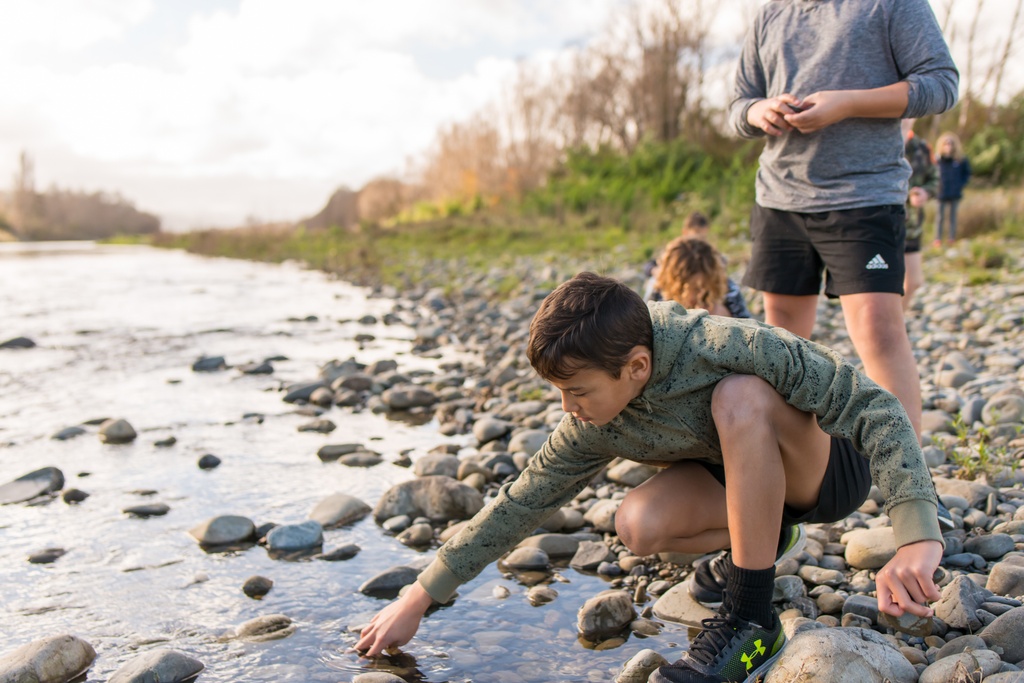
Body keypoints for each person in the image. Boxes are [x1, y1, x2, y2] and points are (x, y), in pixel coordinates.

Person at [356, 273, 944, 683]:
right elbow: (520, 502)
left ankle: (750, 620)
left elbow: (873, 405)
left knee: (740, 397)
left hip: (823, 468)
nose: (567, 408)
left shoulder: (723, 345)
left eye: (577, 391)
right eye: (559, 392)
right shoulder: (591, 420)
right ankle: (770, 541)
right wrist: (421, 594)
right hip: (738, 480)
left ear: (636, 367)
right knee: (635, 523)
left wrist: (916, 534)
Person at [728, 0, 958, 440]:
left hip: (865, 195)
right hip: (780, 197)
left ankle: (911, 489)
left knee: (878, 331)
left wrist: (848, 103)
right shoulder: (771, 14)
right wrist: (759, 112)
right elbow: (739, 105)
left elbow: (941, 84)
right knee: (782, 343)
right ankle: (793, 480)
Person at [643, 211, 752, 319]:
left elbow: (747, 325)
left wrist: (719, 316)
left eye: (701, 288)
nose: (697, 296)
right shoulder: (661, 290)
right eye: (692, 288)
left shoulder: (728, 290)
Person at [902, 118, 938, 311]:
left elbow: (935, 179)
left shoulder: (922, 147)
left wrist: (926, 192)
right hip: (877, 222)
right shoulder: (873, 140)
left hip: (911, 225)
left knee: (914, 281)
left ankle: (893, 324)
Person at [653, 237, 732, 316]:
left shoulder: (731, 295)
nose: (696, 296)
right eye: (684, 289)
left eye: (701, 288)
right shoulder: (657, 301)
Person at [935, 131, 971, 246]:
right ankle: (938, 239)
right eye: (946, 144)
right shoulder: (938, 160)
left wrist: (960, 184)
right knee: (940, 217)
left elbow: (967, 174)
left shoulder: (960, 160)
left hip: (955, 192)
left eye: (950, 144)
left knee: (952, 217)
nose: (948, 146)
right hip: (941, 192)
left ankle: (951, 238)